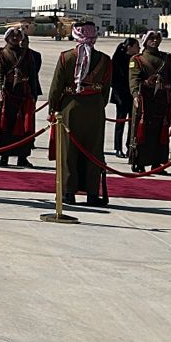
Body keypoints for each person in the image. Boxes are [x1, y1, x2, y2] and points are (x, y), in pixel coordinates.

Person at [48, 20, 111, 205]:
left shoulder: (66, 57)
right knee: (94, 150)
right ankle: (92, 193)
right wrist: (98, 104)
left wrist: (53, 109)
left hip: (70, 107)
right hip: (95, 107)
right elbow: (106, 89)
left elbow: (56, 87)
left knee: (68, 151)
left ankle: (68, 192)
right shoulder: (105, 60)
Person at [129, 29, 171, 174]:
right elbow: (133, 79)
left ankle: (157, 163)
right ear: (145, 41)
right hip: (144, 101)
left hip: (162, 101)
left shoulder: (166, 58)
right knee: (141, 132)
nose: (155, 40)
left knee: (160, 132)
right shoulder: (137, 59)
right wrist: (135, 94)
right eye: (151, 38)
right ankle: (139, 162)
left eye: (157, 38)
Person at [0, 26, 42, 167]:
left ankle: (22, 157)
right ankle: (4, 156)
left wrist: (33, 94)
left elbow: (33, 75)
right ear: (7, 38)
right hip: (7, 94)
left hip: (24, 94)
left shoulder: (28, 54)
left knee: (25, 127)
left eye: (18, 35)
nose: (15, 38)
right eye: (12, 36)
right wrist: (0, 89)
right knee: (5, 126)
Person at [110, 38, 141, 158]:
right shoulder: (117, 59)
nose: (139, 48)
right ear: (129, 47)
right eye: (136, 46)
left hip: (133, 95)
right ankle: (118, 148)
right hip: (121, 96)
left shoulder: (137, 59)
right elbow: (113, 80)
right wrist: (119, 95)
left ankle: (130, 146)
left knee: (133, 123)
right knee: (120, 122)